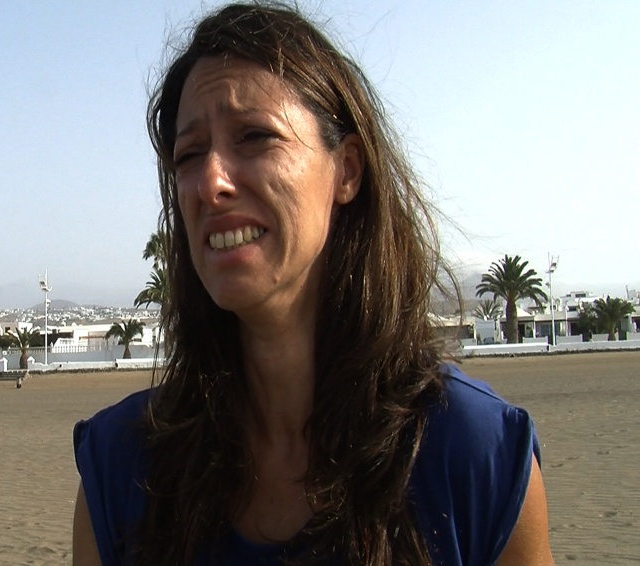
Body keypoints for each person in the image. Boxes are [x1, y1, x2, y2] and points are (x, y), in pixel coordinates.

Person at [72, 2, 554, 565]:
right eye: (189, 154)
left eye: (254, 136)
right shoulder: (122, 466)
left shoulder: (477, 454)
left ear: (346, 170)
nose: (210, 182)